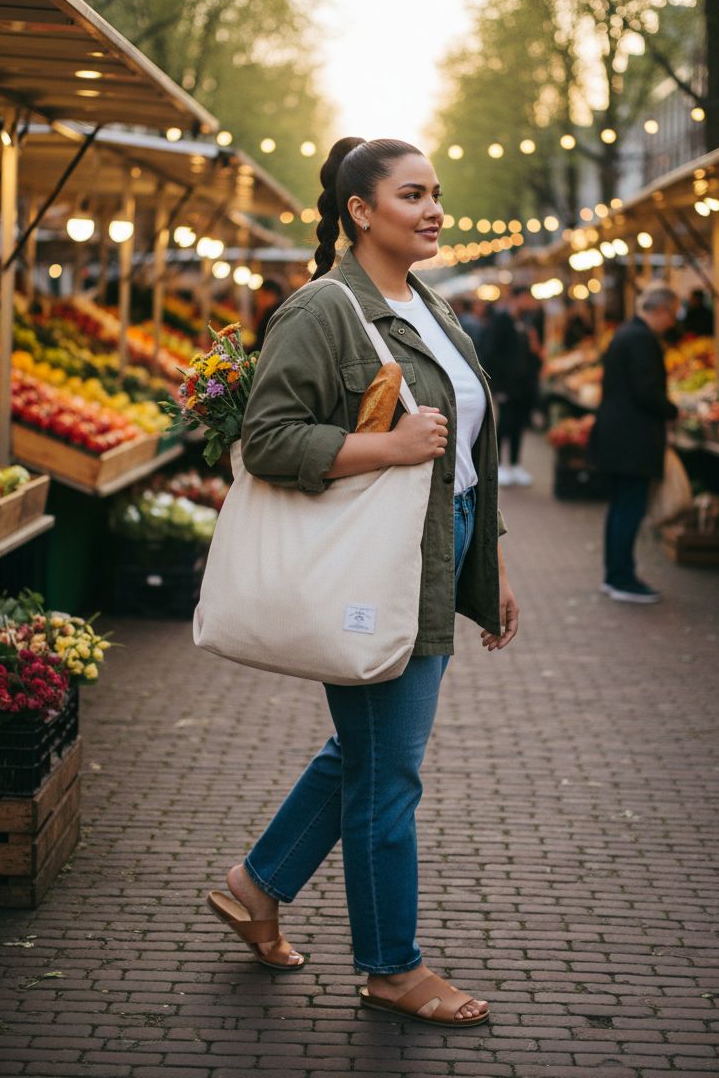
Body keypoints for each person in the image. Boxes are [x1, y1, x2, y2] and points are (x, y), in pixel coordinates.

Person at [205, 137, 519, 1028]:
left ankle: (255, 886)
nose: (433, 211)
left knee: (367, 753)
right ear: (359, 210)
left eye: (437, 195)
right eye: (413, 195)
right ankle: (391, 967)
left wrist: (485, 564)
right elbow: (266, 440)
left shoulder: (426, 304)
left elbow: (462, 453)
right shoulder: (322, 308)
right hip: (375, 564)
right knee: (389, 773)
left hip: (437, 546)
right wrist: (386, 445)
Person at [589, 283, 679, 604]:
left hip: (618, 436)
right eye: (672, 314)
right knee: (629, 508)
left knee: (620, 508)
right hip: (631, 439)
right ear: (660, 309)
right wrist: (672, 410)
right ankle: (621, 577)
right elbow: (647, 391)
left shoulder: (626, 334)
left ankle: (616, 574)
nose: (673, 322)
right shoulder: (641, 339)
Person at [480, 286, 542, 487]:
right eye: (527, 298)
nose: (531, 303)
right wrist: (496, 386)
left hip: (523, 386)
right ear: (518, 298)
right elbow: (490, 354)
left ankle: (515, 463)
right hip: (506, 386)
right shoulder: (501, 321)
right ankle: (498, 465)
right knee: (504, 424)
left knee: (518, 424)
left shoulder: (524, 323)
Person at [252, 277, 285, 350]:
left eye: (260, 295)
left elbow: (261, 344)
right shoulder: (281, 311)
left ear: (270, 295)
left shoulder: (273, 314)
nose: (258, 300)